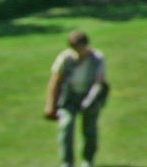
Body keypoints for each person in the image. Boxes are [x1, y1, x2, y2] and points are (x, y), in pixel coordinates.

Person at [45, 29, 108, 167]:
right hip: (69, 97)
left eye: (80, 49)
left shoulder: (97, 58)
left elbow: (99, 83)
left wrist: (89, 101)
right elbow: (55, 82)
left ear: (86, 45)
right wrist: (50, 105)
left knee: (89, 130)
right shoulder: (65, 58)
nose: (78, 53)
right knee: (66, 126)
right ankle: (67, 163)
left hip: (90, 96)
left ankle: (88, 160)